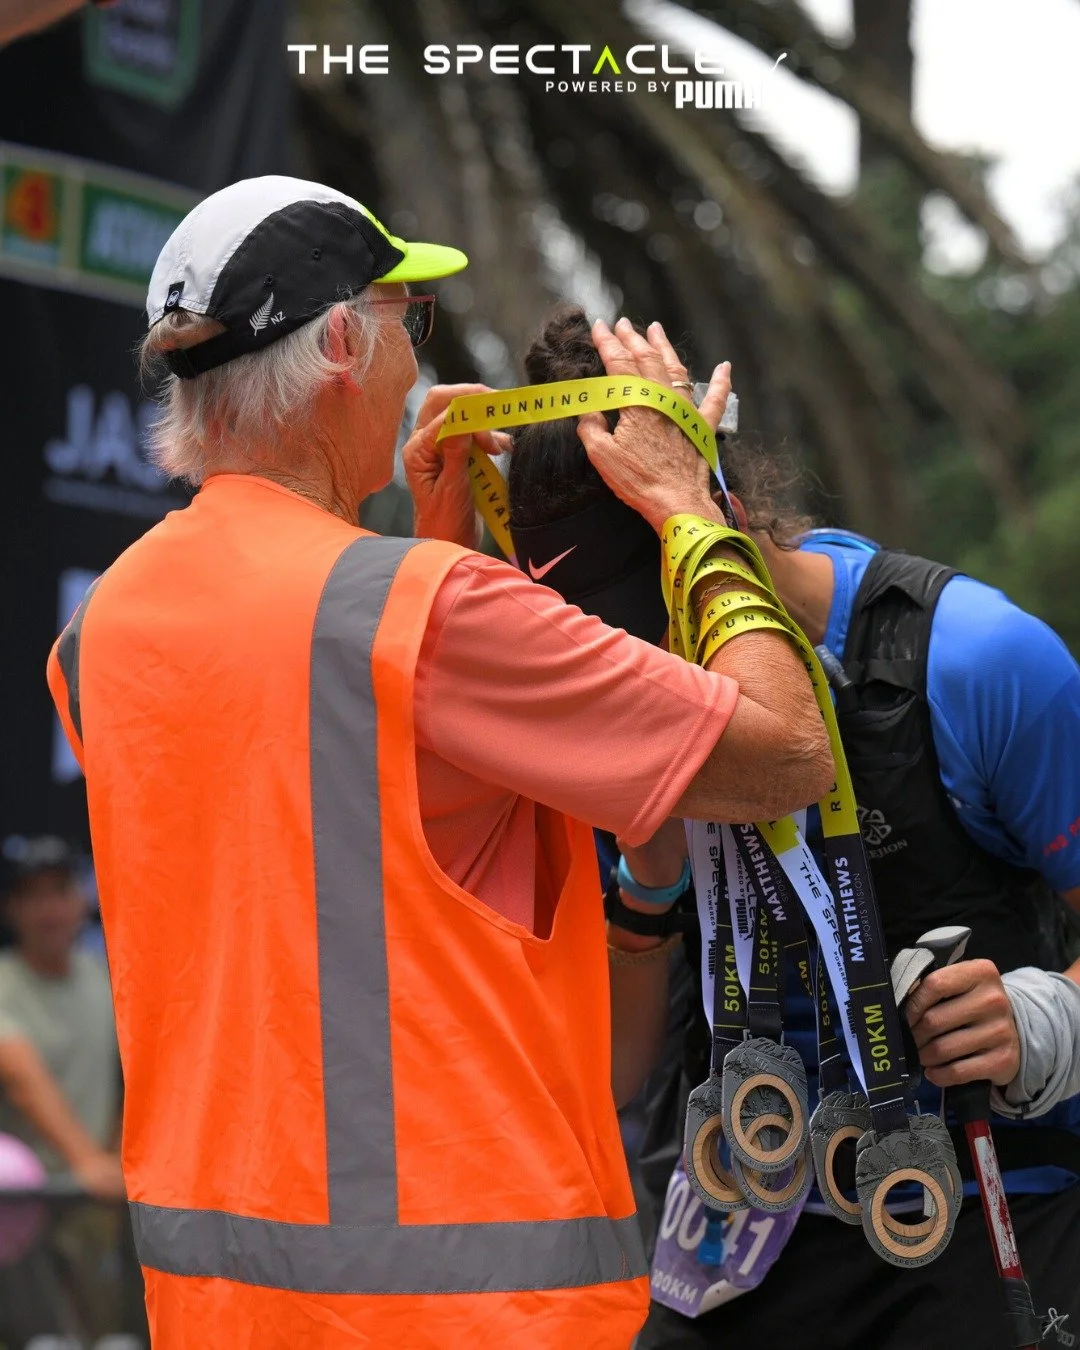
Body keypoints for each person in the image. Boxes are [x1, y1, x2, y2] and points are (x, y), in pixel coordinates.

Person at [45, 175, 834, 1349]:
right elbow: (788, 757)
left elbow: (342, 854)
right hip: (477, 1312)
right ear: (344, 351)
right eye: (406, 325)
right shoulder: (422, 613)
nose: (420, 365)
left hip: (221, 1310)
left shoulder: (99, 632)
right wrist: (688, 511)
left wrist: (431, 554)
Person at [505, 304, 1080, 1350]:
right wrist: (646, 889)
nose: (640, 684)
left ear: (714, 519)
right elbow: (617, 1080)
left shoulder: (977, 662)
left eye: (652, 631)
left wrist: (1040, 1022)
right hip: (739, 1224)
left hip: (974, 1207)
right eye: (598, 654)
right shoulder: (590, 706)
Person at [0, 835, 127, 1344]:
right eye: (33, 895)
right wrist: (86, 1160)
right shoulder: (5, 981)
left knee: (110, 1336)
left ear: (82, 901)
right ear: (13, 909)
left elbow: (136, 1074)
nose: (49, 909)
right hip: (19, 1210)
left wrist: (116, 1157)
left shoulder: (104, 979)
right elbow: (20, 1072)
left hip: (96, 1202)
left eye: (59, 891)